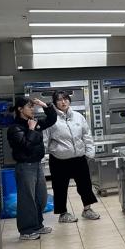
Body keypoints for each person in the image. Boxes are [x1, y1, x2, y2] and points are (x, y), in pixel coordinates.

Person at [43, 90, 100, 224]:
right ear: (55, 103)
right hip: (59, 159)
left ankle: (87, 209)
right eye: (59, 100)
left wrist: (90, 152)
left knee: (85, 185)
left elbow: (86, 135)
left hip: (79, 157)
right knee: (60, 188)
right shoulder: (51, 119)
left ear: (69, 100)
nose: (63, 102)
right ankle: (63, 213)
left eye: (65, 99)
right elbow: (44, 140)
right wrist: (41, 158)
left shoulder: (78, 116)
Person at [7, 97, 56, 241]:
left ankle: (37, 225)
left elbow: (52, 119)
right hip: (25, 166)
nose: (32, 109)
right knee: (27, 199)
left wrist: (45, 105)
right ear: (20, 109)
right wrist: (31, 130)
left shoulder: (33, 123)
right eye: (29, 107)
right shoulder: (15, 128)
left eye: (33, 106)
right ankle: (26, 230)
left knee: (41, 197)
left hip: (37, 164)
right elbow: (26, 146)